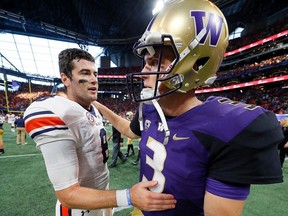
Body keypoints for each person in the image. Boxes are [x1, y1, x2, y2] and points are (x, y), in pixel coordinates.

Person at [93, 0, 284, 215]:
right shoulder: (150, 109)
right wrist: (98, 104)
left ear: (196, 63)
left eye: (156, 62)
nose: (145, 72)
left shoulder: (226, 127)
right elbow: (130, 130)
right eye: (146, 62)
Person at [24, 48, 176, 216]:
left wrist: (100, 106)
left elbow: (129, 130)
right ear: (65, 79)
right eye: (85, 73)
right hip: (78, 209)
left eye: (95, 74)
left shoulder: (90, 108)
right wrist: (128, 196)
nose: (94, 80)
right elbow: (68, 195)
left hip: (101, 196)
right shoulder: (56, 111)